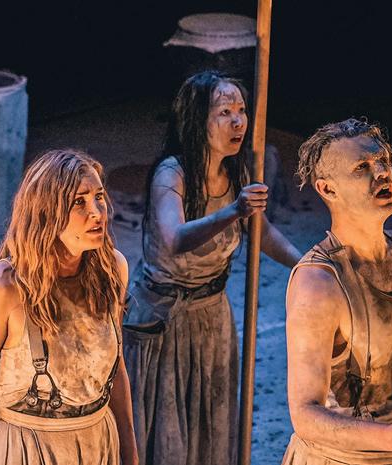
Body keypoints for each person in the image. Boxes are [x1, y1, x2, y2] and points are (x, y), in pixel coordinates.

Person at [123, 71, 301, 465]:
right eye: (224, 112)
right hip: (164, 319)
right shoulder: (172, 173)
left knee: (209, 420)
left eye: (241, 110)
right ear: (197, 120)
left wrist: (304, 265)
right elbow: (174, 237)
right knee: (167, 426)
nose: (238, 121)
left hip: (212, 316)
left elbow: (261, 231)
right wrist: (235, 210)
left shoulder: (236, 173)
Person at [281, 118, 392, 465]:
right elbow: (304, 414)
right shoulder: (319, 283)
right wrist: (388, 437)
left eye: (382, 160)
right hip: (349, 459)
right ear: (327, 189)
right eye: (362, 167)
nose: (382, 173)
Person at [0, 149, 138, 465]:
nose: (97, 212)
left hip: (97, 442)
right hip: (25, 448)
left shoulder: (112, 269)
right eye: (79, 202)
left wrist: (131, 454)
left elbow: (115, 369)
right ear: (46, 212)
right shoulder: (3, 288)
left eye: (99, 197)